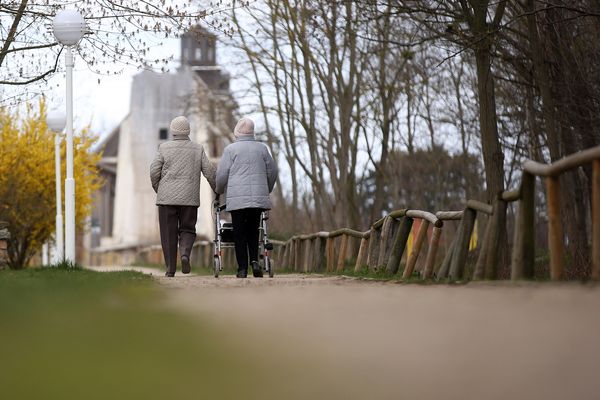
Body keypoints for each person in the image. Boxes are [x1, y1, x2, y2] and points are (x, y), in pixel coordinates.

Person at [150, 116, 216, 277]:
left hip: (166, 199)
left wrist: (159, 189)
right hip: (189, 198)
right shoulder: (198, 149)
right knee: (187, 229)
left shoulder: (163, 148)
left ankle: (170, 269)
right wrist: (217, 188)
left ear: (172, 130)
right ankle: (185, 254)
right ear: (188, 131)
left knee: (168, 233)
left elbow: (154, 171)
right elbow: (209, 172)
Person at [216, 117, 278, 278]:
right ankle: (255, 262)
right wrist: (266, 189)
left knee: (239, 233)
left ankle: (242, 268)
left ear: (237, 132)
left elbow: (222, 174)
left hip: (237, 201)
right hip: (257, 200)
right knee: (253, 231)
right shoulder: (262, 149)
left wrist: (219, 189)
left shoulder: (230, 150)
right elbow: (273, 172)